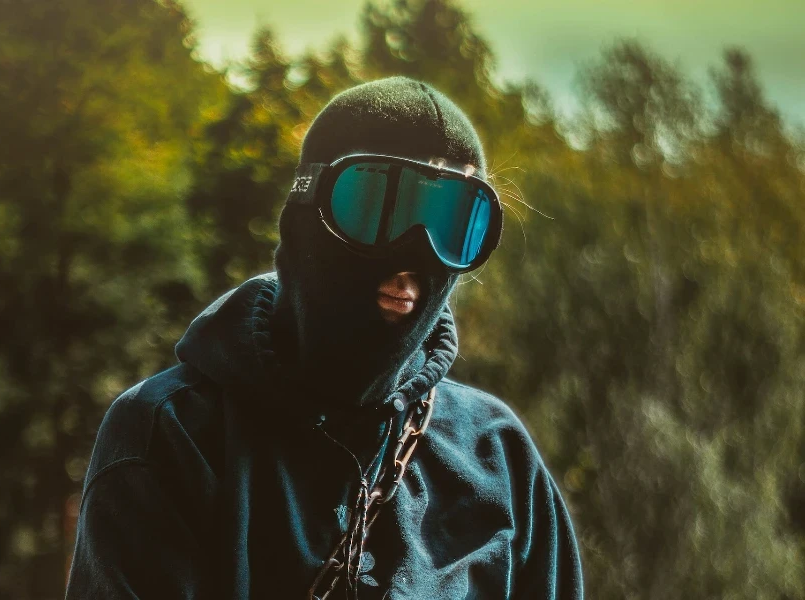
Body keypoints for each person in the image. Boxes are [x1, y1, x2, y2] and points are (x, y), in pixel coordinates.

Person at [65, 76, 583, 599]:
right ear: (302, 219)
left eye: (451, 223)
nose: (412, 254)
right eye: (375, 205)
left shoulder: (496, 455)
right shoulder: (173, 435)